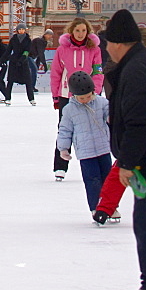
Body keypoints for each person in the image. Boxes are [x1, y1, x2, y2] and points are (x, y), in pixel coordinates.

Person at [103, 9, 146, 290]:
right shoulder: (145, 62)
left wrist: (127, 163)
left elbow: (140, 124)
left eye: (107, 43)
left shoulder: (137, 70)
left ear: (118, 43)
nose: (105, 48)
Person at [50, 17, 103, 178]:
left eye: (83, 31)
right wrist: (56, 97)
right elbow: (56, 73)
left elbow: (98, 72)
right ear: (71, 31)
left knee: (90, 130)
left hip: (88, 95)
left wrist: (96, 92)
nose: (80, 34)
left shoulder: (94, 49)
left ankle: (93, 166)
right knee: (64, 130)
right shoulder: (62, 49)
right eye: (77, 30)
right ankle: (60, 166)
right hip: (66, 94)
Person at [56, 71, 111, 219]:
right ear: (73, 95)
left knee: (107, 179)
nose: (86, 100)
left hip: (103, 148)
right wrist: (63, 148)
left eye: (89, 96)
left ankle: (110, 206)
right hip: (85, 153)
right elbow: (64, 130)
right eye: (82, 98)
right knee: (92, 180)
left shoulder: (101, 102)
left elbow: (110, 114)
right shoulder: (69, 110)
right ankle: (95, 207)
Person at [4, 24, 35, 105]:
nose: (21, 30)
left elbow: (27, 51)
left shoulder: (28, 40)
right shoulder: (13, 39)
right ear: (17, 30)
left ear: (25, 30)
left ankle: (31, 99)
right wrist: (3, 59)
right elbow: (8, 50)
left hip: (23, 62)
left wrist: (22, 60)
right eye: (19, 29)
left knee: (28, 81)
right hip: (14, 62)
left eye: (22, 29)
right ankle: (7, 98)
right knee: (10, 81)